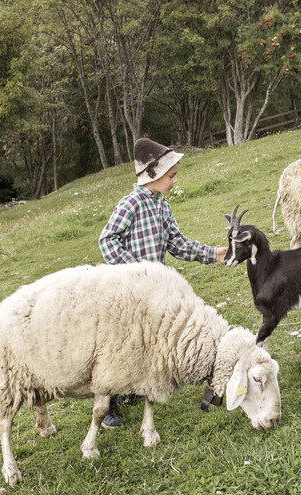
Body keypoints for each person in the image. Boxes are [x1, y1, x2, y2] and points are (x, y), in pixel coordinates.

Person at [97, 137, 228, 428]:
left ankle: (133, 388)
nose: (174, 180)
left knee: (144, 342)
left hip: (153, 294)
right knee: (122, 344)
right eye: (171, 175)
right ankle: (108, 405)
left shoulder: (162, 207)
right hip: (129, 290)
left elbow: (178, 244)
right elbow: (107, 240)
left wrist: (213, 254)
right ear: (152, 173)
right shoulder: (130, 204)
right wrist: (137, 271)